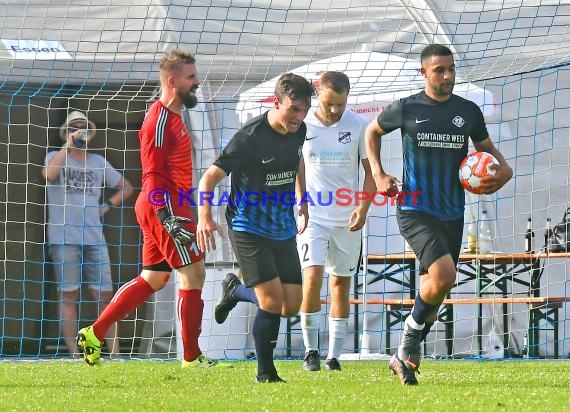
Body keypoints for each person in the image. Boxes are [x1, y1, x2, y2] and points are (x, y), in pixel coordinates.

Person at [365, 44, 513, 385]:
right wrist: (378, 174)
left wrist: (504, 170)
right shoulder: (406, 108)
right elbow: (371, 131)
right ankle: (409, 340)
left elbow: (486, 150)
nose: (447, 76)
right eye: (439, 70)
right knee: (445, 275)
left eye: (451, 69)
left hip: (452, 211)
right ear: (424, 72)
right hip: (414, 207)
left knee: (434, 288)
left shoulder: (468, 111)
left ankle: (400, 359)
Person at [76, 49, 222, 368]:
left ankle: (94, 333)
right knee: (193, 274)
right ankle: (191, 358)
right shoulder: (157, 120)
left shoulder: (174, 115)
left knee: (154, 278)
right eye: (191, 77)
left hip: (167, 206)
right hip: (164, 206)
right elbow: (152, 174)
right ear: (173, 81)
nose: (197, 82)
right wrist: (166, 216)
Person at [196, 73, 314, 383]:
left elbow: (297, 158)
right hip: (247, 225)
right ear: (276, 103)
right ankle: (266, 373)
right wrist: (204, 217)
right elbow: (208, 178)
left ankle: (236, 289)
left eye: (304, 109)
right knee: (272, 302)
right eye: (293, 109)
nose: (299, 116)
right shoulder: (249, 137)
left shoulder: (299, 130)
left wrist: (302, 196)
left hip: (282, 225)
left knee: (292, 306)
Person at [296, 71, 375, 372]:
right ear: (318, 95)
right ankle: (310, 352)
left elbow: (371, 172)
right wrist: (301, 200)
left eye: (340, 105)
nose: (334, 110)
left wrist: (363, 208)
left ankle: (334, 357)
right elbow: (297, 164)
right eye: (329, 103)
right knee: (312, 278)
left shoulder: (358, 126)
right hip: (312, 217)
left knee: (341, 284)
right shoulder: (303, 125)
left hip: (346, 218)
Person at [43, 110, 133, 357]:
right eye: (74, 127)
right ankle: (74, 354)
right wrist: (66, 147)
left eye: (83, 127)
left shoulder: (98, 162)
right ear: (67, 132)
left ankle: (114, 353)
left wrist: (106, 206)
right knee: (69, 294)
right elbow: (49, 175)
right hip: (64, 238)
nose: (79, 131)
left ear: (90, 133)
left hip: (95, 237)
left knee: (106, 296)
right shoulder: (55, 156)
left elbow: (126, 187)